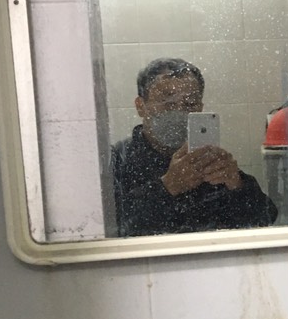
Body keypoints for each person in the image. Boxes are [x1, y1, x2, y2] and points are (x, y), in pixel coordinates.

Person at [111, 57, 277, 237]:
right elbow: (112, 229)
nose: (179, 111)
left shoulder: (206, 157)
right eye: (167, 103)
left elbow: (265, 220)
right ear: (141, 106)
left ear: (200, 108)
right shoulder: (119, 159)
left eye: (190, 103)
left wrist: (238, 185)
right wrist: (167, 187)